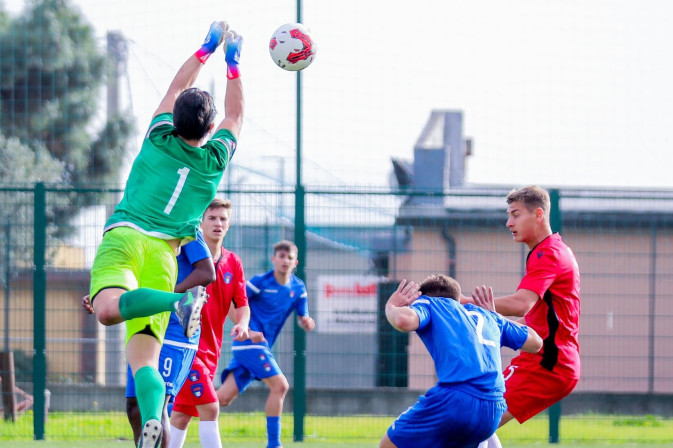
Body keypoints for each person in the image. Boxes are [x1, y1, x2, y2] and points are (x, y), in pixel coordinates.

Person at [88, 21, 244, 448]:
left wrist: (207, 47)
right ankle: (153, 425)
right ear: (209, 129)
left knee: (106, 311)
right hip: (163, 254)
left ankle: (180, 300)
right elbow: (235, 116)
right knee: (145, 362)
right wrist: (234, 65)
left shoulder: (157, 137)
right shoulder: (214, 161)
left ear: (173, 120)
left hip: (125, 237)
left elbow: (178, 85)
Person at [467, 185, 581, 448]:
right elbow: (538, 318)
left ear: (538, 214)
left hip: (548, 364)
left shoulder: (548, 253)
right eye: (509, 215)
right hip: (546, 361)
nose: (509, 223)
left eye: (515, 215)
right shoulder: (552, 250)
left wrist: (459, 302)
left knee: (473, 421)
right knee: (478, 420)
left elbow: (521, 305)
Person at [82, 230, 214, 447]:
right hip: (144, 320)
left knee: (159, 406)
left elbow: (207, 273)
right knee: (134, 407)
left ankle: (179, 303)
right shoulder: (137, 225)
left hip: (175, 327)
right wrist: (106, 297)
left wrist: (164, 296)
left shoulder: (177, 221)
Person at [380, 276, 543, 448]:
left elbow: (402, 320)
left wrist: (391, 306)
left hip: (455, 400)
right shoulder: (488, 317)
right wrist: (496, 316)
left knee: (389, 444)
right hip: (493, 408)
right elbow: (536, 342)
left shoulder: (431, 303)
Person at [168, 199, 251, 448]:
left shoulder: (233, 262)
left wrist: (244, 324)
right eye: (212, 218)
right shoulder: (186, 257)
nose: (217, 223)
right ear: (201, 223)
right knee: (211, 406)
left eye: (223, 219)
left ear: (229, 225)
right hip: (186, 346)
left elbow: (241, 304)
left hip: (211, 351)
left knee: (181, 415)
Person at [217, 240, 315, 448]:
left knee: (221, 399)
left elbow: (304, 315)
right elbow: (235, 304)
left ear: (295, 262)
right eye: (281, 256)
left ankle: (175, 413)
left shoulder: (298, 288)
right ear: (273, 259)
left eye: (289, 257)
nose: (285, 261)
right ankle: (274, 444)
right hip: (250, 344)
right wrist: (248, 331)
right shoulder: (259, 282)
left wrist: (306, 321)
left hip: (260, 347)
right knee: (280, 386)